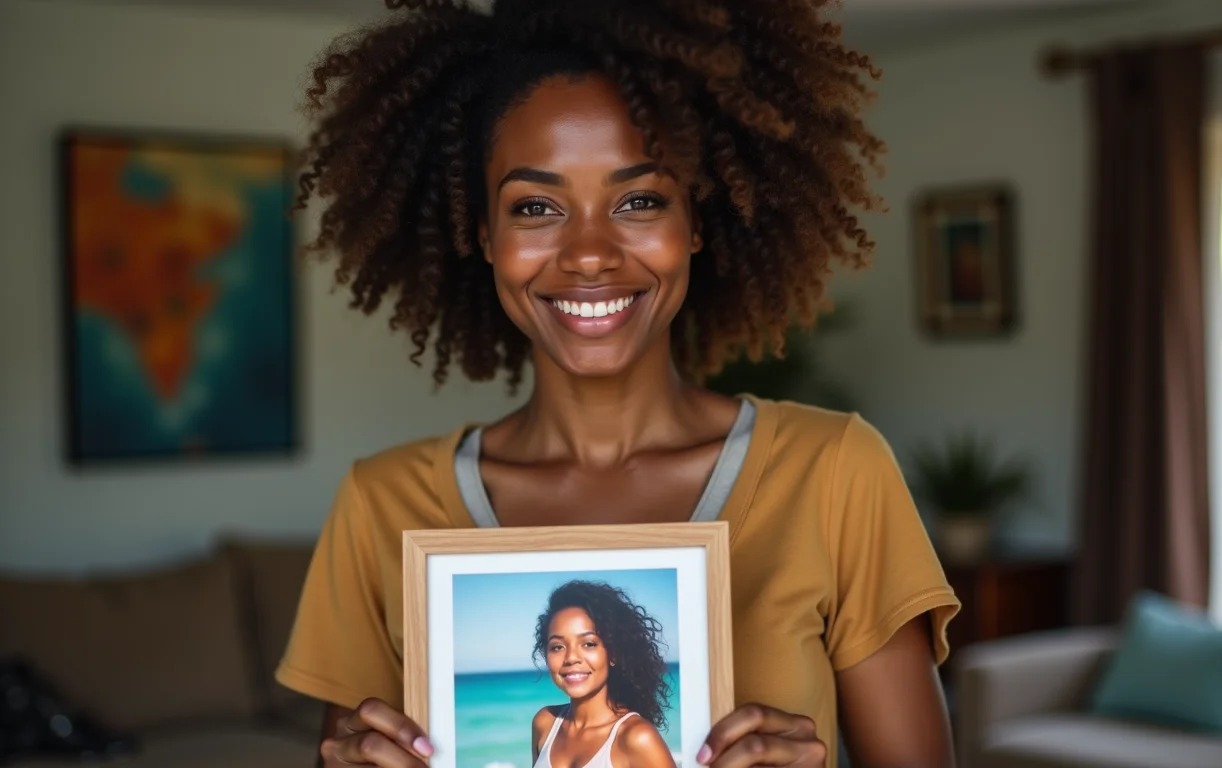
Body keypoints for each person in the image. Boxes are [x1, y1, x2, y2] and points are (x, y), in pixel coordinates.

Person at [275, 0, 963, 766]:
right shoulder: (381, 506)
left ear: (695, 223)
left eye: (639, 201)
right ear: (485, 236)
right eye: (536, 207)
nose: (589, 253)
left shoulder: (834, 471)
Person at [530, 580, 676, 768]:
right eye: (557, 647)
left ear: (613, 654)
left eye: (588, 644)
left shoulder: (637, 738)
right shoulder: (545, 723)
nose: (571, 657)